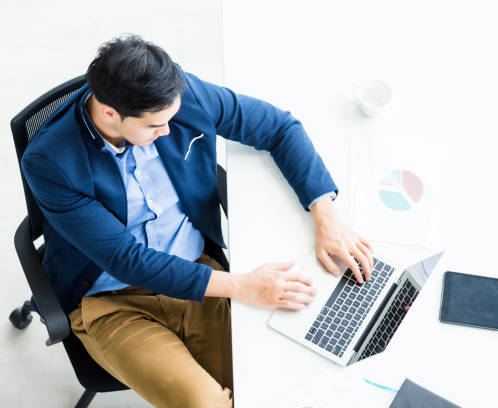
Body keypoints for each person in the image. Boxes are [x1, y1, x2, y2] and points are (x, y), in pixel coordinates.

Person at [22, 34, 374, 407]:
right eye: (155, 126)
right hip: (110, 300)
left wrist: (325, 212)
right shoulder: (50, 161)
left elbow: (278, 127)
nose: (170, 132)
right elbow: (126, 260)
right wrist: (243, 286)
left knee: (271, 381)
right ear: (110, 113)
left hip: (197, 271)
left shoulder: (179, 98)